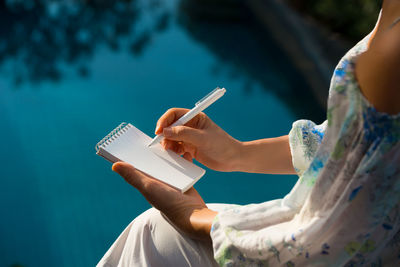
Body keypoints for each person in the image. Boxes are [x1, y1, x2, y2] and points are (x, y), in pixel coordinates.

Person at [98, 2, 400, 266]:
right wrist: (237, 153)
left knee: (153, 235)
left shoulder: (393, 54)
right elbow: (354, 146)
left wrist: (194, 217)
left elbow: (314, 248)